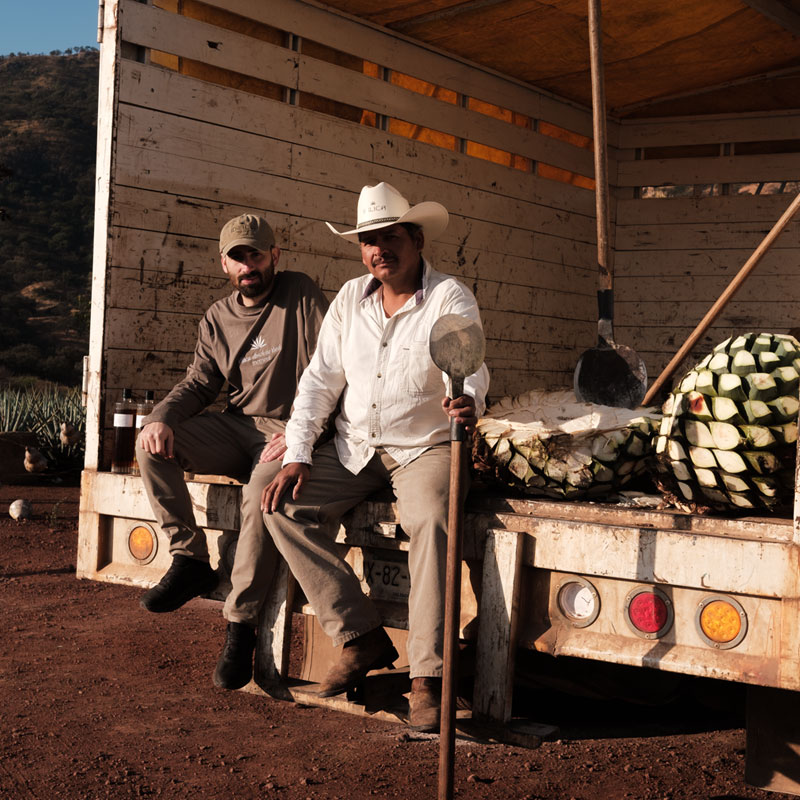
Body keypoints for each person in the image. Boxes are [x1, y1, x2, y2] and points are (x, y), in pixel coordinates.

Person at [261, 182, 489, 732]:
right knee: (281, 505)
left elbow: (473, 365)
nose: (377, 250)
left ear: (415, 238)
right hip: (356, 445)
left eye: (389, 237)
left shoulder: (448, 297)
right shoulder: (348, 300)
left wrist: (468, 399)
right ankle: (361, 638)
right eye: (368, 241)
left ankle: (428, 680)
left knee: (434, 521)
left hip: (423, 445)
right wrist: (298, 452)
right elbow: (319, 381)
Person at [136, 213, 328, 691]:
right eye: (238, 256)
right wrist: (160, 417)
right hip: (239, 426)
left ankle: (240, 624)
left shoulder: (300, 294)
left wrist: (305, 432)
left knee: (263, 493)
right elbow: (200, 384)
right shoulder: (217, 318)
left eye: (256, 255)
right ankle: (190, 560)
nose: (248, 265)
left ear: (274, 257)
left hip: (290, 429)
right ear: (224, 262)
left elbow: (332, 366)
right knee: (153, 445)